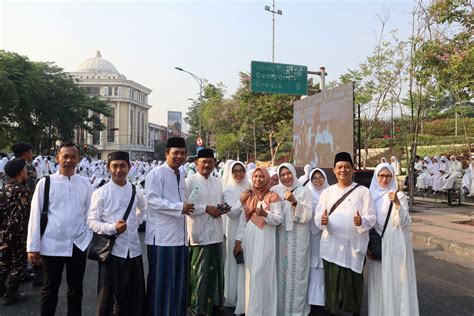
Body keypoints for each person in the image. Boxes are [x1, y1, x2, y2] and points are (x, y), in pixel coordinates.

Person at [27, 142, 93, 316]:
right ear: (58, 158)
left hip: (77, 244)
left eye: (73, 157)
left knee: (75, 289)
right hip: (51, 245)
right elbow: (35, 215)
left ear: (79, 159)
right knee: (50, 290)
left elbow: (90, 214)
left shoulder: (85, 184)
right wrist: (33, 247)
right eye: (65, 156)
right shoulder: (45, 183)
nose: (69, 160)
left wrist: (87, 237)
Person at [314, 152, 375, 316]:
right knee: (333, 283)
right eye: (340, 167)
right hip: (332, 247)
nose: (343, 170)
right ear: (334, 170)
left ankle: (354, 311)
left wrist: (361, 221)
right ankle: (333, 310)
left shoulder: (363, 191)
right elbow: (317, 216)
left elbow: (371, 216)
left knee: (353, 284)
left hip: (354, 246)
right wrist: (323, 220)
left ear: (353, 169)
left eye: (347, 167)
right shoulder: (327, 192)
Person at [87, 151, 146, 315]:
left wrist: (134, 223)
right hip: (111, 252)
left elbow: (143, 210)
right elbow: (91, 221)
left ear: (129, 167)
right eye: (115, 166)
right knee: (109, 297)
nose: (119, 170)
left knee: (134, 295)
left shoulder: (136, 191)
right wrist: (112, 228)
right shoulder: (100, 192)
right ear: (108, 168)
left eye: (122, 166)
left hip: (133, 251)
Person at [145, 137, 192, 316]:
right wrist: (179, 207)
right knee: (162, 281)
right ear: (167, 154)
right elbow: (152, 200)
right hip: (162, 238)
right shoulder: (156, 173)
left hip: (179, 237)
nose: (179, 156)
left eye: (182, 153)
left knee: (178, 281)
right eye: (175, 153)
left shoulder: (180, 174)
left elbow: (182, 201)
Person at [367, 163, 419, 316]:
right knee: (380, 282)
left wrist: (396, 202)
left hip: (395, 244)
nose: (385, 179)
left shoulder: (399, 195)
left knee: (396, 281)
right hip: (378, 245)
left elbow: (403, 222)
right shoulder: (370, 195)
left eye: (388, 176)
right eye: (381, 176)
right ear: (376, 177)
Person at [234, 167, 282, 315]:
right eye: (255, 176)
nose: (258, 179)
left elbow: (279, 219)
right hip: (250, 238)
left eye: (261, 177)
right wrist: (238, 242)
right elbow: (243, 221)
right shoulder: (250, 197)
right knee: (251, 274)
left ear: (267, 178)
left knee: (262, 273)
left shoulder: (273, 196)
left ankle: (264, 311)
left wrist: (265, 214)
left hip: (266, 238)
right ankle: (250, 309)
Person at [186, 148, 225, 315]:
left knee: (216, 272)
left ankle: (215, 306)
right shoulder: (190, 182)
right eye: (204, 162)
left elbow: (220, 202)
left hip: (216, 233)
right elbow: (188, 207)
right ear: (196, 163)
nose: (207, 165)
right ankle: (198, 309)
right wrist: (206, 209)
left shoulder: (217, 181)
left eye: (210, 162)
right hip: (200, 235)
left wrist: (222, 208)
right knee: (200, 274)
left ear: (215, 163)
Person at [272, 163, 312, 316]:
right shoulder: (276, 190)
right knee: (280, 273)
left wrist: (295, 201)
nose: (286, 177)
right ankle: (280, 310)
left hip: (298, 239)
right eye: (282, 174)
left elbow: (307, 216)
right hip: (280, 238)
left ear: (294, 174)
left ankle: (296, 311)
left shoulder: (303, 191)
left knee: (297, 274)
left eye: (288, 173)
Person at [0, 158, 30, 305]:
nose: (26, 172)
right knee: (19, 264)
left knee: (4, 262)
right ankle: (11, 293)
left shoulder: (4, 187)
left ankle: (1, 288)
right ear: (19, 173)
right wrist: (25, 236)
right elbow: (21, 216)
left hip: (3, 233)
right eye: (24, 170)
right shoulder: (21, 190)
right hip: (16, 233)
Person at [222, 161, 249, 315]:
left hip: (249, 230)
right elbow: (231, 213)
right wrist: (242, 200)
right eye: (235, 171)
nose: (239, 174)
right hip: (233, 230)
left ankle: (246, 296)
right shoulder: (228, 190)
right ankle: (234, 297)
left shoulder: (249, 186)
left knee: (247, 262)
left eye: (241, 170)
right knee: (235, 262)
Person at [306, 168, 330, 313]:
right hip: (313, 237)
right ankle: (315, 301)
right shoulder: (307, 194)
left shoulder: (330, 193)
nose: (318, 180)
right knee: (315, 268)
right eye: (314, 178)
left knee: (326, 267)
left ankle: (326, 299)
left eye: (320, 177)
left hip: (329, 236)